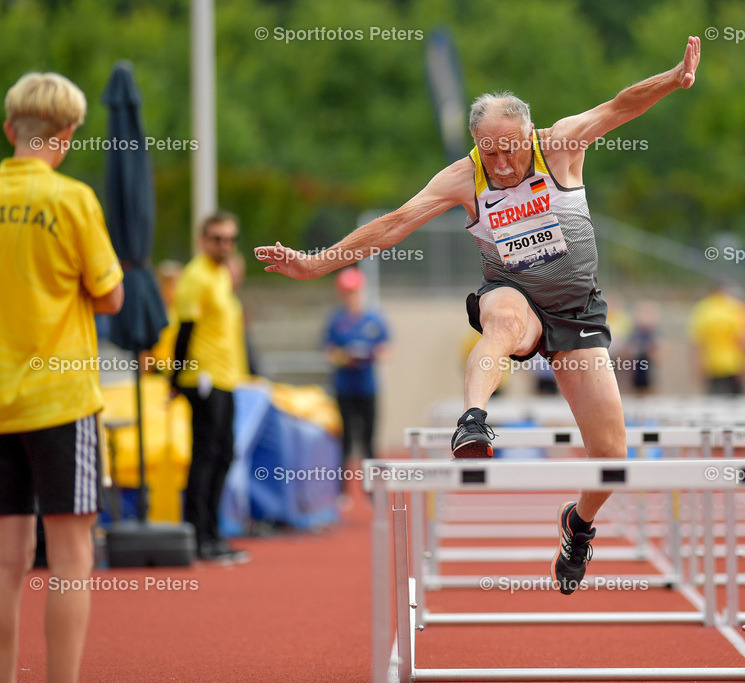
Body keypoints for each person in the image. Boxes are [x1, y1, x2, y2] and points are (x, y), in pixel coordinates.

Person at [256, 36, 702, 595]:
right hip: (511, 292)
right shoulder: (463, 178)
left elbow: (619, 105)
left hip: (576, 310)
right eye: (489, 153)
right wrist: (315, 264)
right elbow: (394, 223)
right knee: (505, 324)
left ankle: (579, 524)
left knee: (612, 457)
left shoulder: (560, 144)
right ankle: (473, 419)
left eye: (511, 149)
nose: (503, 163)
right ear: (475, 145)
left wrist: (673, 79)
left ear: (528, 134)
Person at [0, 72, 125, 683]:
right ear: (69, 133)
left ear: (9, 129)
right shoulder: (71, 199)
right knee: (71, 555)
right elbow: (111, 296)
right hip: (59, 397)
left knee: (5, 560)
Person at [170, 211, 249, 563]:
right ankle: (199, 535)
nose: (224, 245)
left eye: (230, 239)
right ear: (203, 240)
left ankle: (212, 533)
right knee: (206, 456)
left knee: (223, 455)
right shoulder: (196, 276)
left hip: (224, 378)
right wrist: (175, 378)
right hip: (202, 378)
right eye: (217, 238)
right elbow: (184, 331)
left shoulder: (221, 276)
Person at [324, 266, 389, 507]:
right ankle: (342, 492)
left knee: (369, 441)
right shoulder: (336, 320)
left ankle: (371, 490)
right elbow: (329, 353)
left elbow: (386, 350)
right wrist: (344, 357)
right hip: (344, 388)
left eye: (353, 291)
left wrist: (369, 354)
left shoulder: (374, 319)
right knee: (346, 442)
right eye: (346, 292)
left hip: (368, 388)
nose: (350, 296)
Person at [688, 283, 745, 395]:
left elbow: (697, 342)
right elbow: (744, 341)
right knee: (738, 405)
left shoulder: (702, 309)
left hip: (712, 365)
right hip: (734, 364)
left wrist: (696, 366)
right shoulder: (737, 308)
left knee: (714, 404)